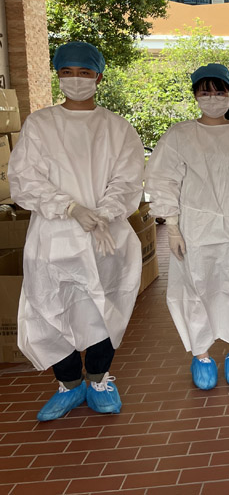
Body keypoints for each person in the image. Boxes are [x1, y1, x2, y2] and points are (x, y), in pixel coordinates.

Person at [9, 42, 144, 421]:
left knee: (105, 309)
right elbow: (24, 179)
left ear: (99, 77)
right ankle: (69, 384)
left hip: (104, 236)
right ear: (58, 76)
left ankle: (99, 380)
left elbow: (128, 180)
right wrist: (69, 207)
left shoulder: (117, 128)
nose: (76, 79)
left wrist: (103, 213)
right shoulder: (41, 124)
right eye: (67, 72)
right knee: (48, 310)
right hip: (53, 237)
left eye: (84, 72)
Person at [146, 63, 229, 391]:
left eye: (218, 91)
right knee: (195, 290)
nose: (212, 97)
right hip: (195, 228)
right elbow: (163, 180)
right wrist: (172, 225)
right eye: (204, 92)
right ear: (195, 95)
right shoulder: (180, 135)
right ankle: (202, 355)